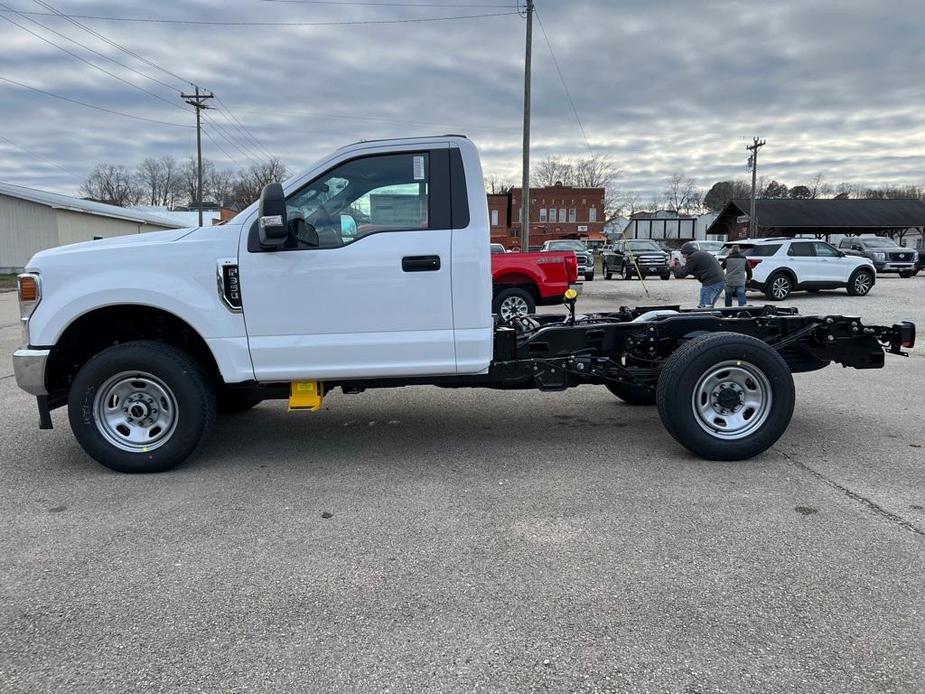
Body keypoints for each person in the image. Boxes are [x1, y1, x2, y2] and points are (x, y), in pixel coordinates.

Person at [673, 241, 725, 307]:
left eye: (683, 254)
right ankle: (710, 316)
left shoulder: (693, 257)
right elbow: (690, 269)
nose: (683, 256)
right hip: (720, 281)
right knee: (709, 307)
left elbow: (683, 273)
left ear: (687, 252)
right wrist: (678, 266)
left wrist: (673, 268)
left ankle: (705, 316)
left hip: (711, 283)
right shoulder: (699, 254)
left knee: (704, 307)